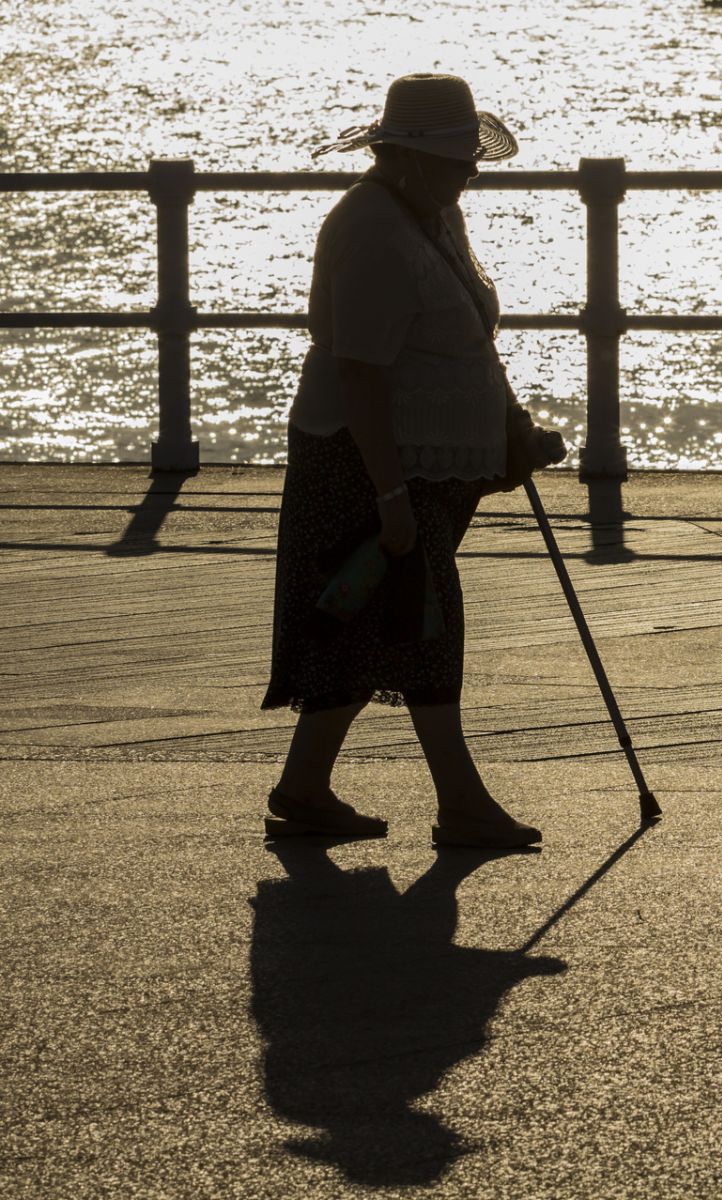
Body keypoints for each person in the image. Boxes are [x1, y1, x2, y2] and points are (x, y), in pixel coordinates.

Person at [260, 73, 561, 849]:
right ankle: (460, 803)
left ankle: (304, 787)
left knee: (368, 621)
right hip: (368, 463)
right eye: (460, 160)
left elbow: (464, 332)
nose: (472, 173)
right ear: (408, 156)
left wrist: (508, 422)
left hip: (435, 465)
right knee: (422, 625)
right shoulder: (369, 226)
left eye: (472, 159)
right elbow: (357, 369)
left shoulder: (433, 214)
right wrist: (390, 492)